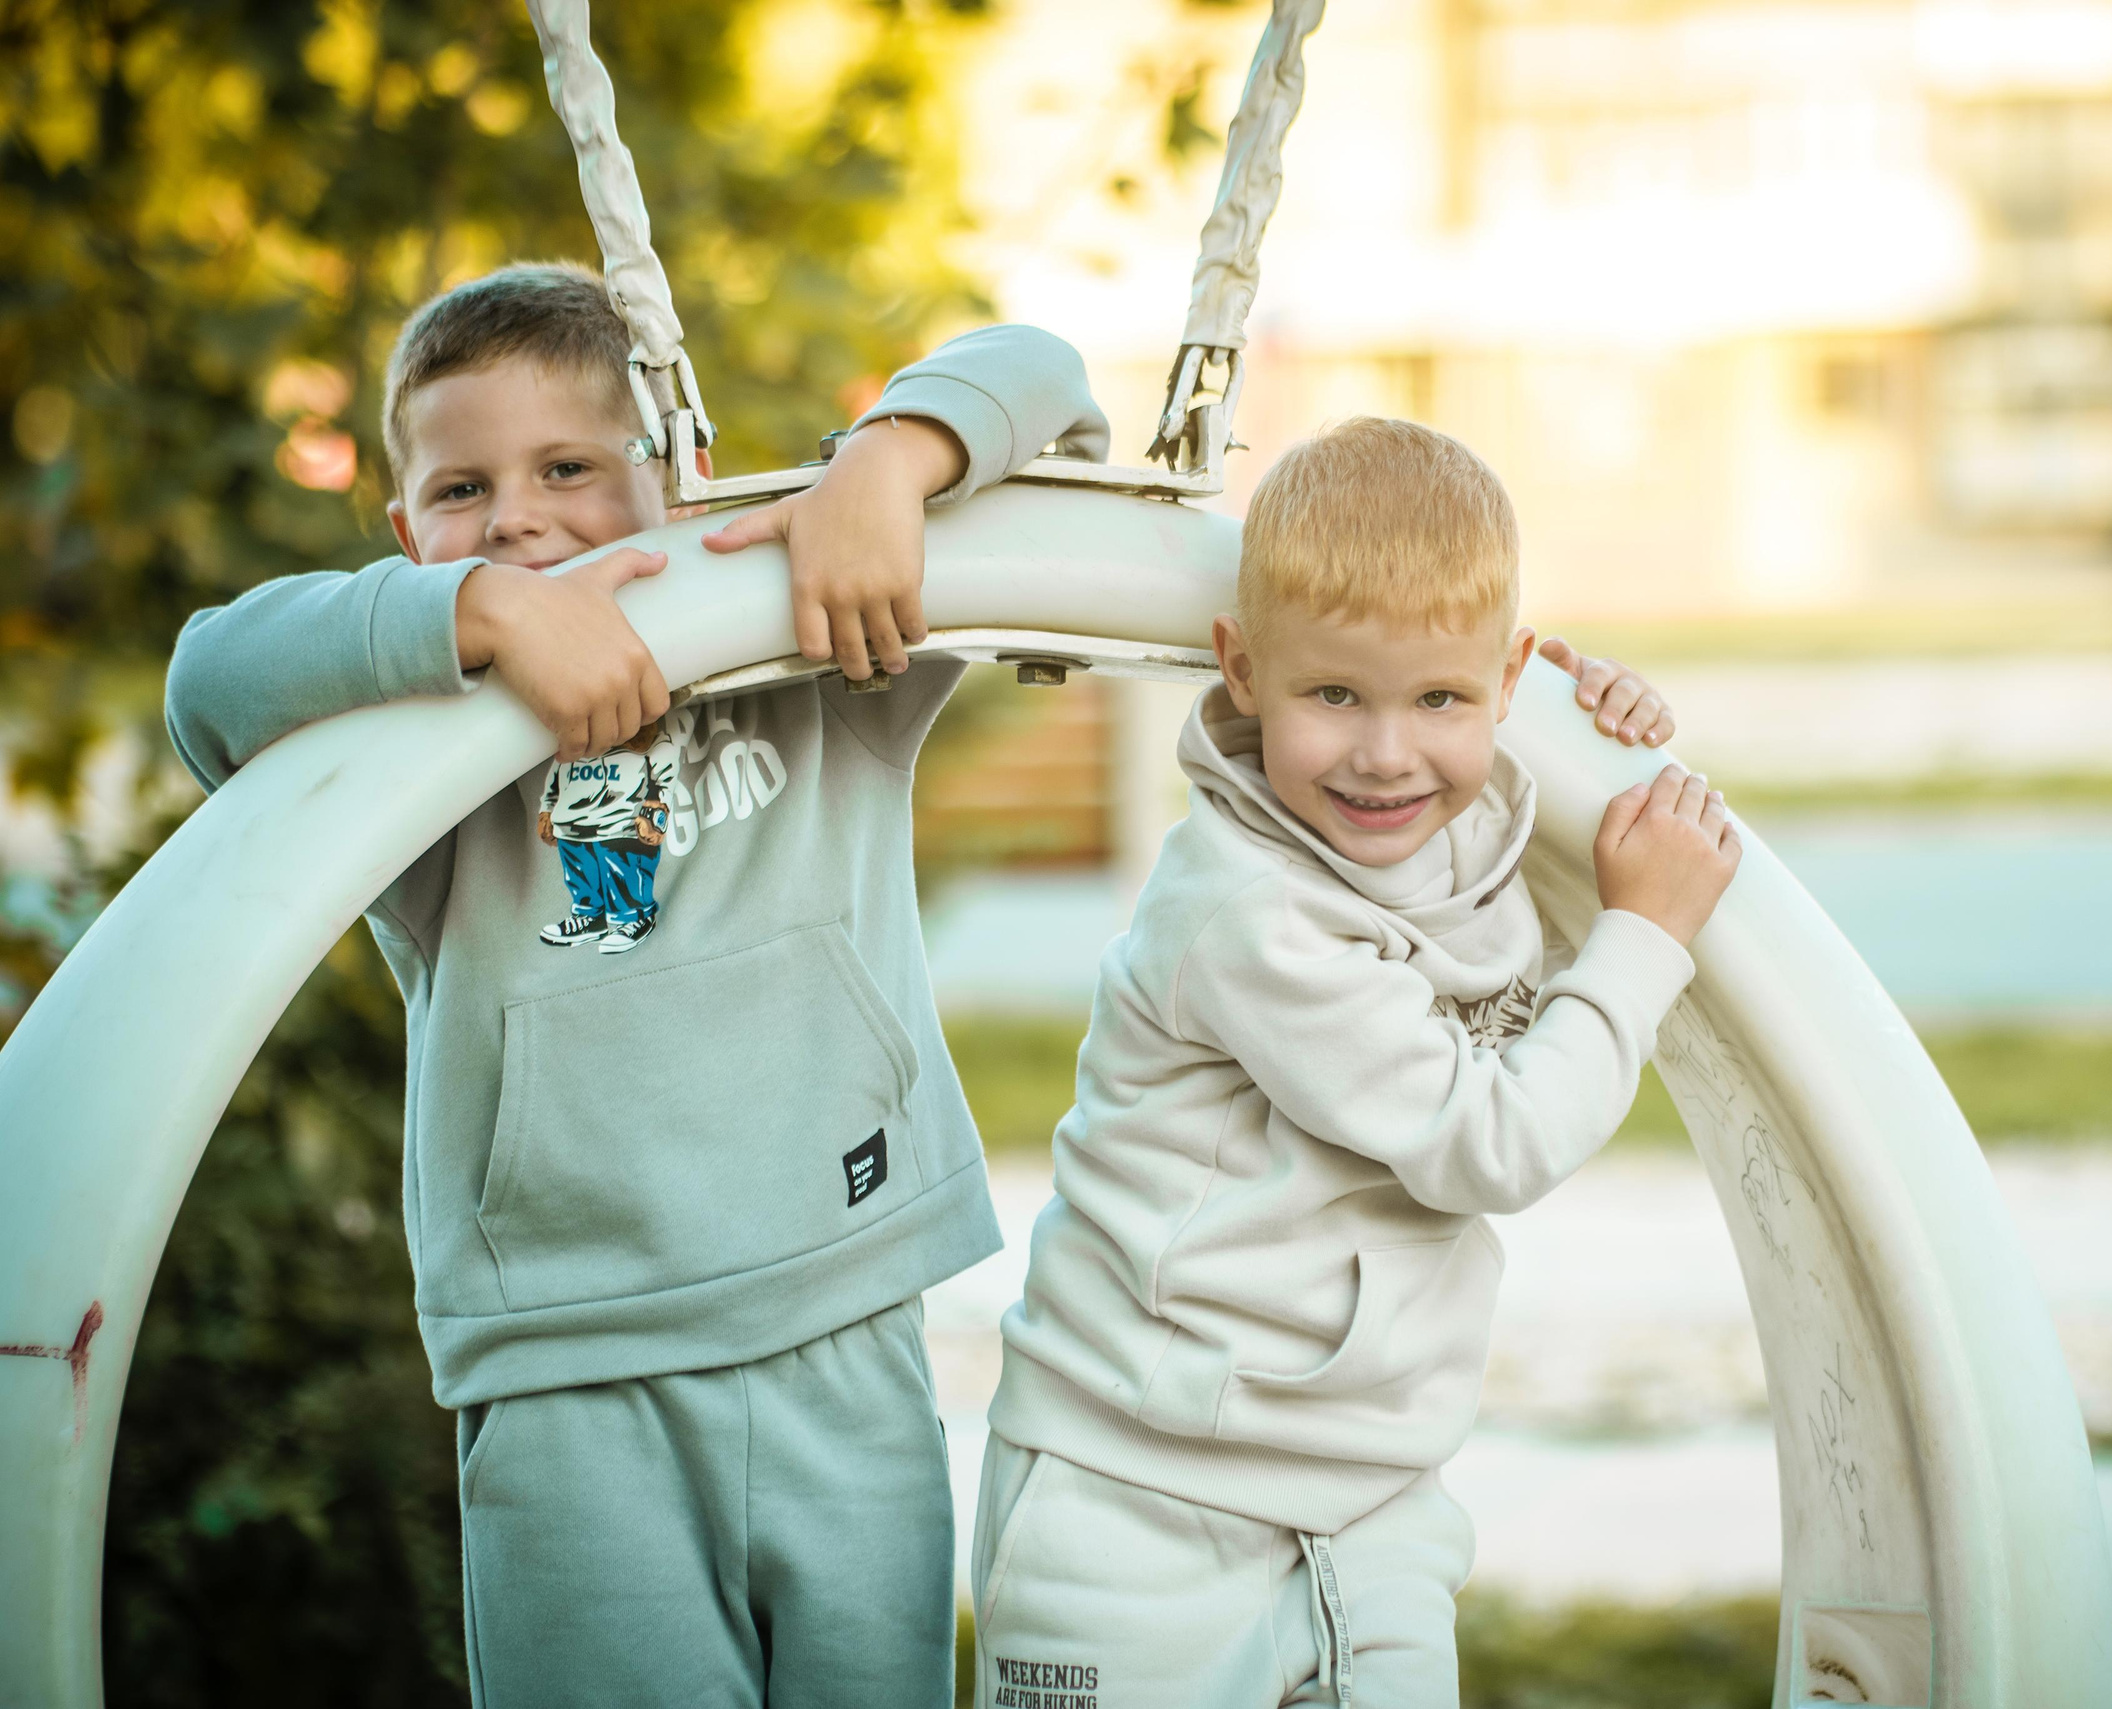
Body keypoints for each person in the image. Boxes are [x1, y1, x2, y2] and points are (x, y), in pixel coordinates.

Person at [163, 261, 1107, 1707]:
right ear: (406, 530)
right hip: (565, 1367)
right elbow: (208, 683)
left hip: (838, 1318)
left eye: (569, 467)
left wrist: (887, 460)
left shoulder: (812, 644)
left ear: (680, 470)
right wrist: (482, 612)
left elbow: (1046, 372)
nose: (522, 514)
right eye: (463, 492)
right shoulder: (420, 765)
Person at [972, 417, 1743, 1707]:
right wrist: (1644, 935)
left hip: (1371, 1497)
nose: (1385, 753)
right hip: (1137, 1502)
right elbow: (1489, 1142)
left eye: (1439, 698)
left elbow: (1501, 912)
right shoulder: (1247, 908)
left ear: (1508, 678)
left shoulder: (1458, 822)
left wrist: (1592, 728)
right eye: (1333, 695)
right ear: (1241, 666)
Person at [536, 715, 676, 952]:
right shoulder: (571, 743)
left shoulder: (654, 746)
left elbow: (664, 775)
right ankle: (590, 917)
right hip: (571, 826)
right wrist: (548, 810)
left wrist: (655, 812)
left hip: (622, 825)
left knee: (625, 872)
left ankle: (634, 917)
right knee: (581, 875)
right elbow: (554, 781)